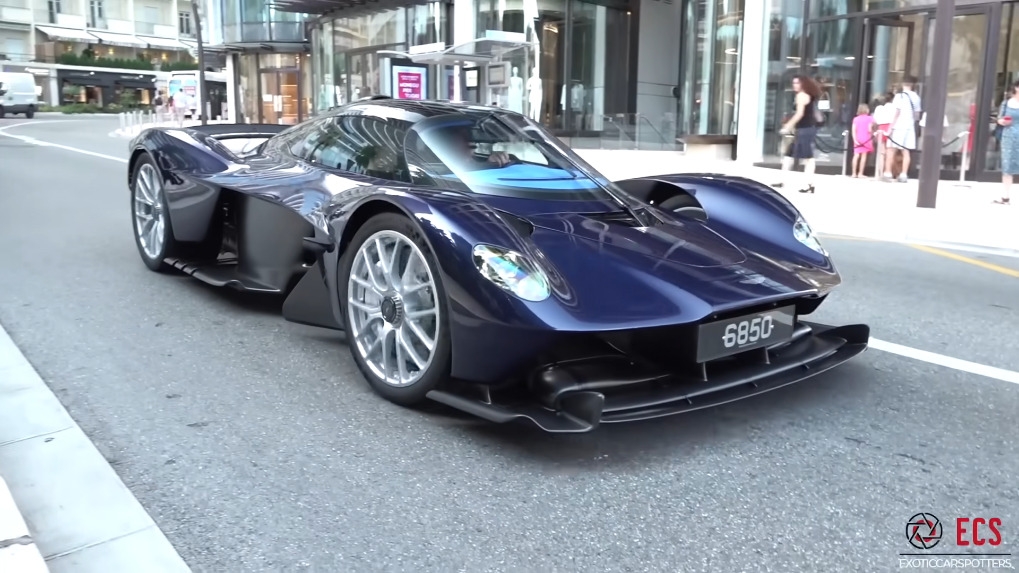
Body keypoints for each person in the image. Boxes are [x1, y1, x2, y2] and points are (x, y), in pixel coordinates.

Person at [778, 75, 823, 194]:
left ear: (803, 84)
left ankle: (809, 184)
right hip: (805, 129)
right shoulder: (808, 95)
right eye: (793, 83)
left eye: (797, 83)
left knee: (808, 158)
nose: (795, 85)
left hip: (805, 129)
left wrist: (788, 126)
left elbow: (799, 114)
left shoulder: (801, 96)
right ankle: (783, 180)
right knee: (789, 155)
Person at [883, 76, 922, 183]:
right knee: (906, 151)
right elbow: (917, 115)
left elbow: (896, 113)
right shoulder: (916, 97)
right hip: (909, 127)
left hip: (898, 126)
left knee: (891, 149)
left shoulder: (899, 96)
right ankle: (904, 174)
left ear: (903, 84)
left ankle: (888, 173)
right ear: (913, 85)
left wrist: (890, 128)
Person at [995, 80, 1019, 205]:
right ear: (1016, 88)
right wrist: (1002, 121)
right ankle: (1005, 196)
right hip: (1008, 137)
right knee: (1007, 166)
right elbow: (999, 118)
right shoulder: (1006, 103)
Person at [870, 94, 894, 180]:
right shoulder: (893, 107)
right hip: (890, 128)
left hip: (880, 128)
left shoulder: (878, 108)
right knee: (890, 151)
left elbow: (875, 120)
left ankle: (879, 171)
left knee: (881, 152)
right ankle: (888, 172)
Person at [851, 103, 875, 178]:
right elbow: (869, 129)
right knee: (863, 156)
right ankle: (860, 173)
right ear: (866, 110)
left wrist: (855, 139)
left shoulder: (855, 119)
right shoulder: (870, 118)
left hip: (858, 138)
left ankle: (853, 173)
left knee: (856, 155)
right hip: (866, 139)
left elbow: (853, 130)